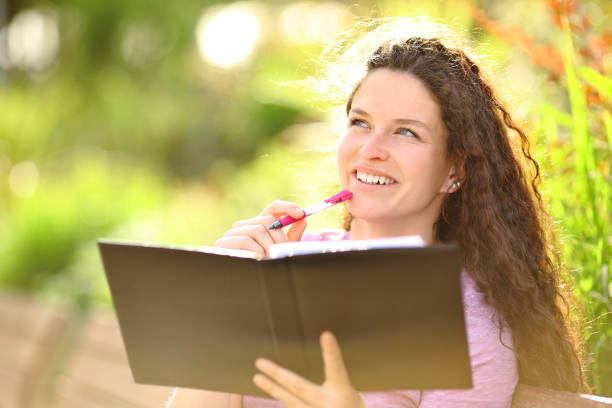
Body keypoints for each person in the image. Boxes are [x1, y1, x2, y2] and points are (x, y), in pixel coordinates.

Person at [206, 18, 586, 408]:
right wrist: (228, 293)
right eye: (360, 122)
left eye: (406, 132)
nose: (371, 149)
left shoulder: (466, 325)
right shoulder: (276, 269)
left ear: (455, 171)